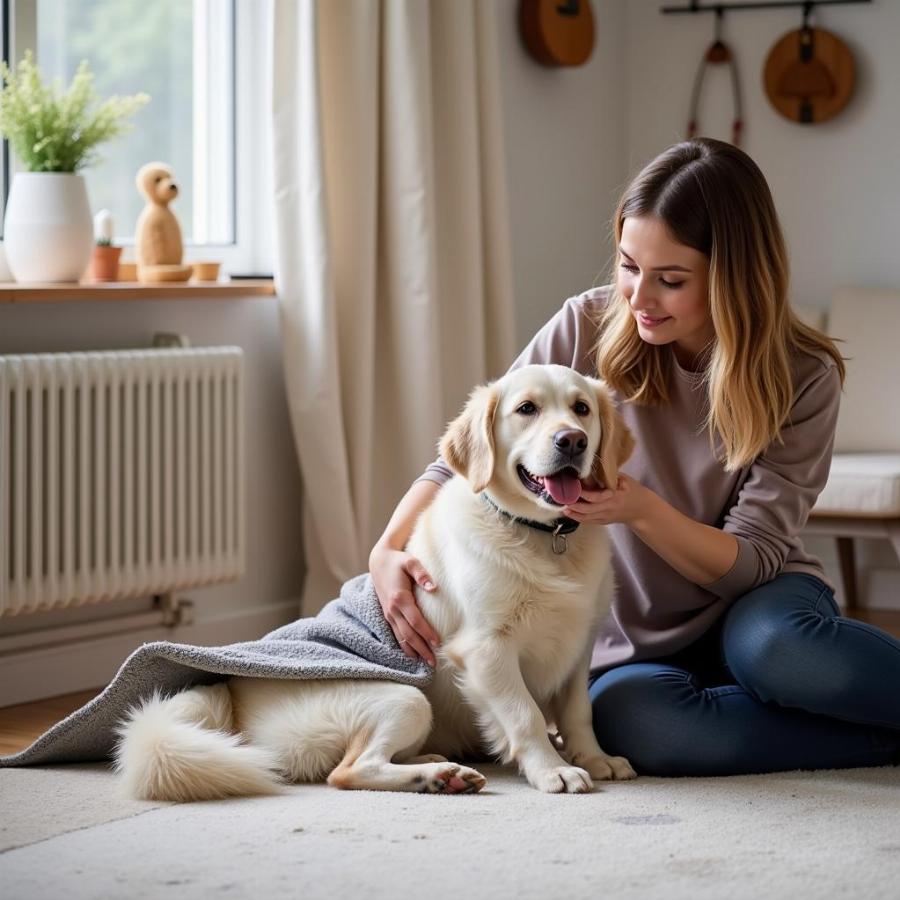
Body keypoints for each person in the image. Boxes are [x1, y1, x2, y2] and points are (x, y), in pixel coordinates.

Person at [368, 137, 900, 776]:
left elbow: (752, 561)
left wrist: (639, 509)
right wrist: (386, 551)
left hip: (756, 600)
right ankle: (876, 739)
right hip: (635, 634)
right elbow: (472, 452)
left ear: (732, 276)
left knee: (780, 654)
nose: (639, 298)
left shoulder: (802, 375)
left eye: (670, 280)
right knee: (635, 724)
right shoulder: (584, 326)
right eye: (627, 266)